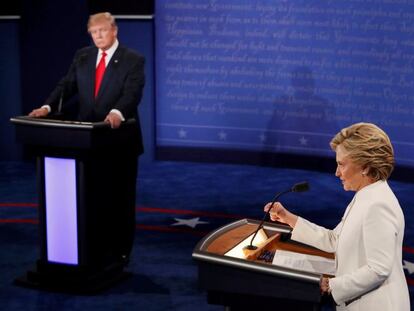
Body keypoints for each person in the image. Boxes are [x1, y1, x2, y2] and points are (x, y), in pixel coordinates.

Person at [29, 12, 145, 267]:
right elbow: (66, 86)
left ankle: (121, 252)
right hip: (87, 143)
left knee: (119, 199)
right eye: (94, 32)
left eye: (102, 30)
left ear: (114, 30)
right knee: (92, 198)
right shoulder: (83, 56)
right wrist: (47, 108)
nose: (98, 36)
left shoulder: (133, 60)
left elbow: (132, 94)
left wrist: (117, 113)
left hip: (119, 141)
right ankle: (96, 247)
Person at [264, 122, 410, 310]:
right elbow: (335, 240)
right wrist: (287, 217)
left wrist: (331, 285)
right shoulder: (366, 196)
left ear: (365, 167)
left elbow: (378, 269)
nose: (337, 172)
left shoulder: (377, 204)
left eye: (341, 164)